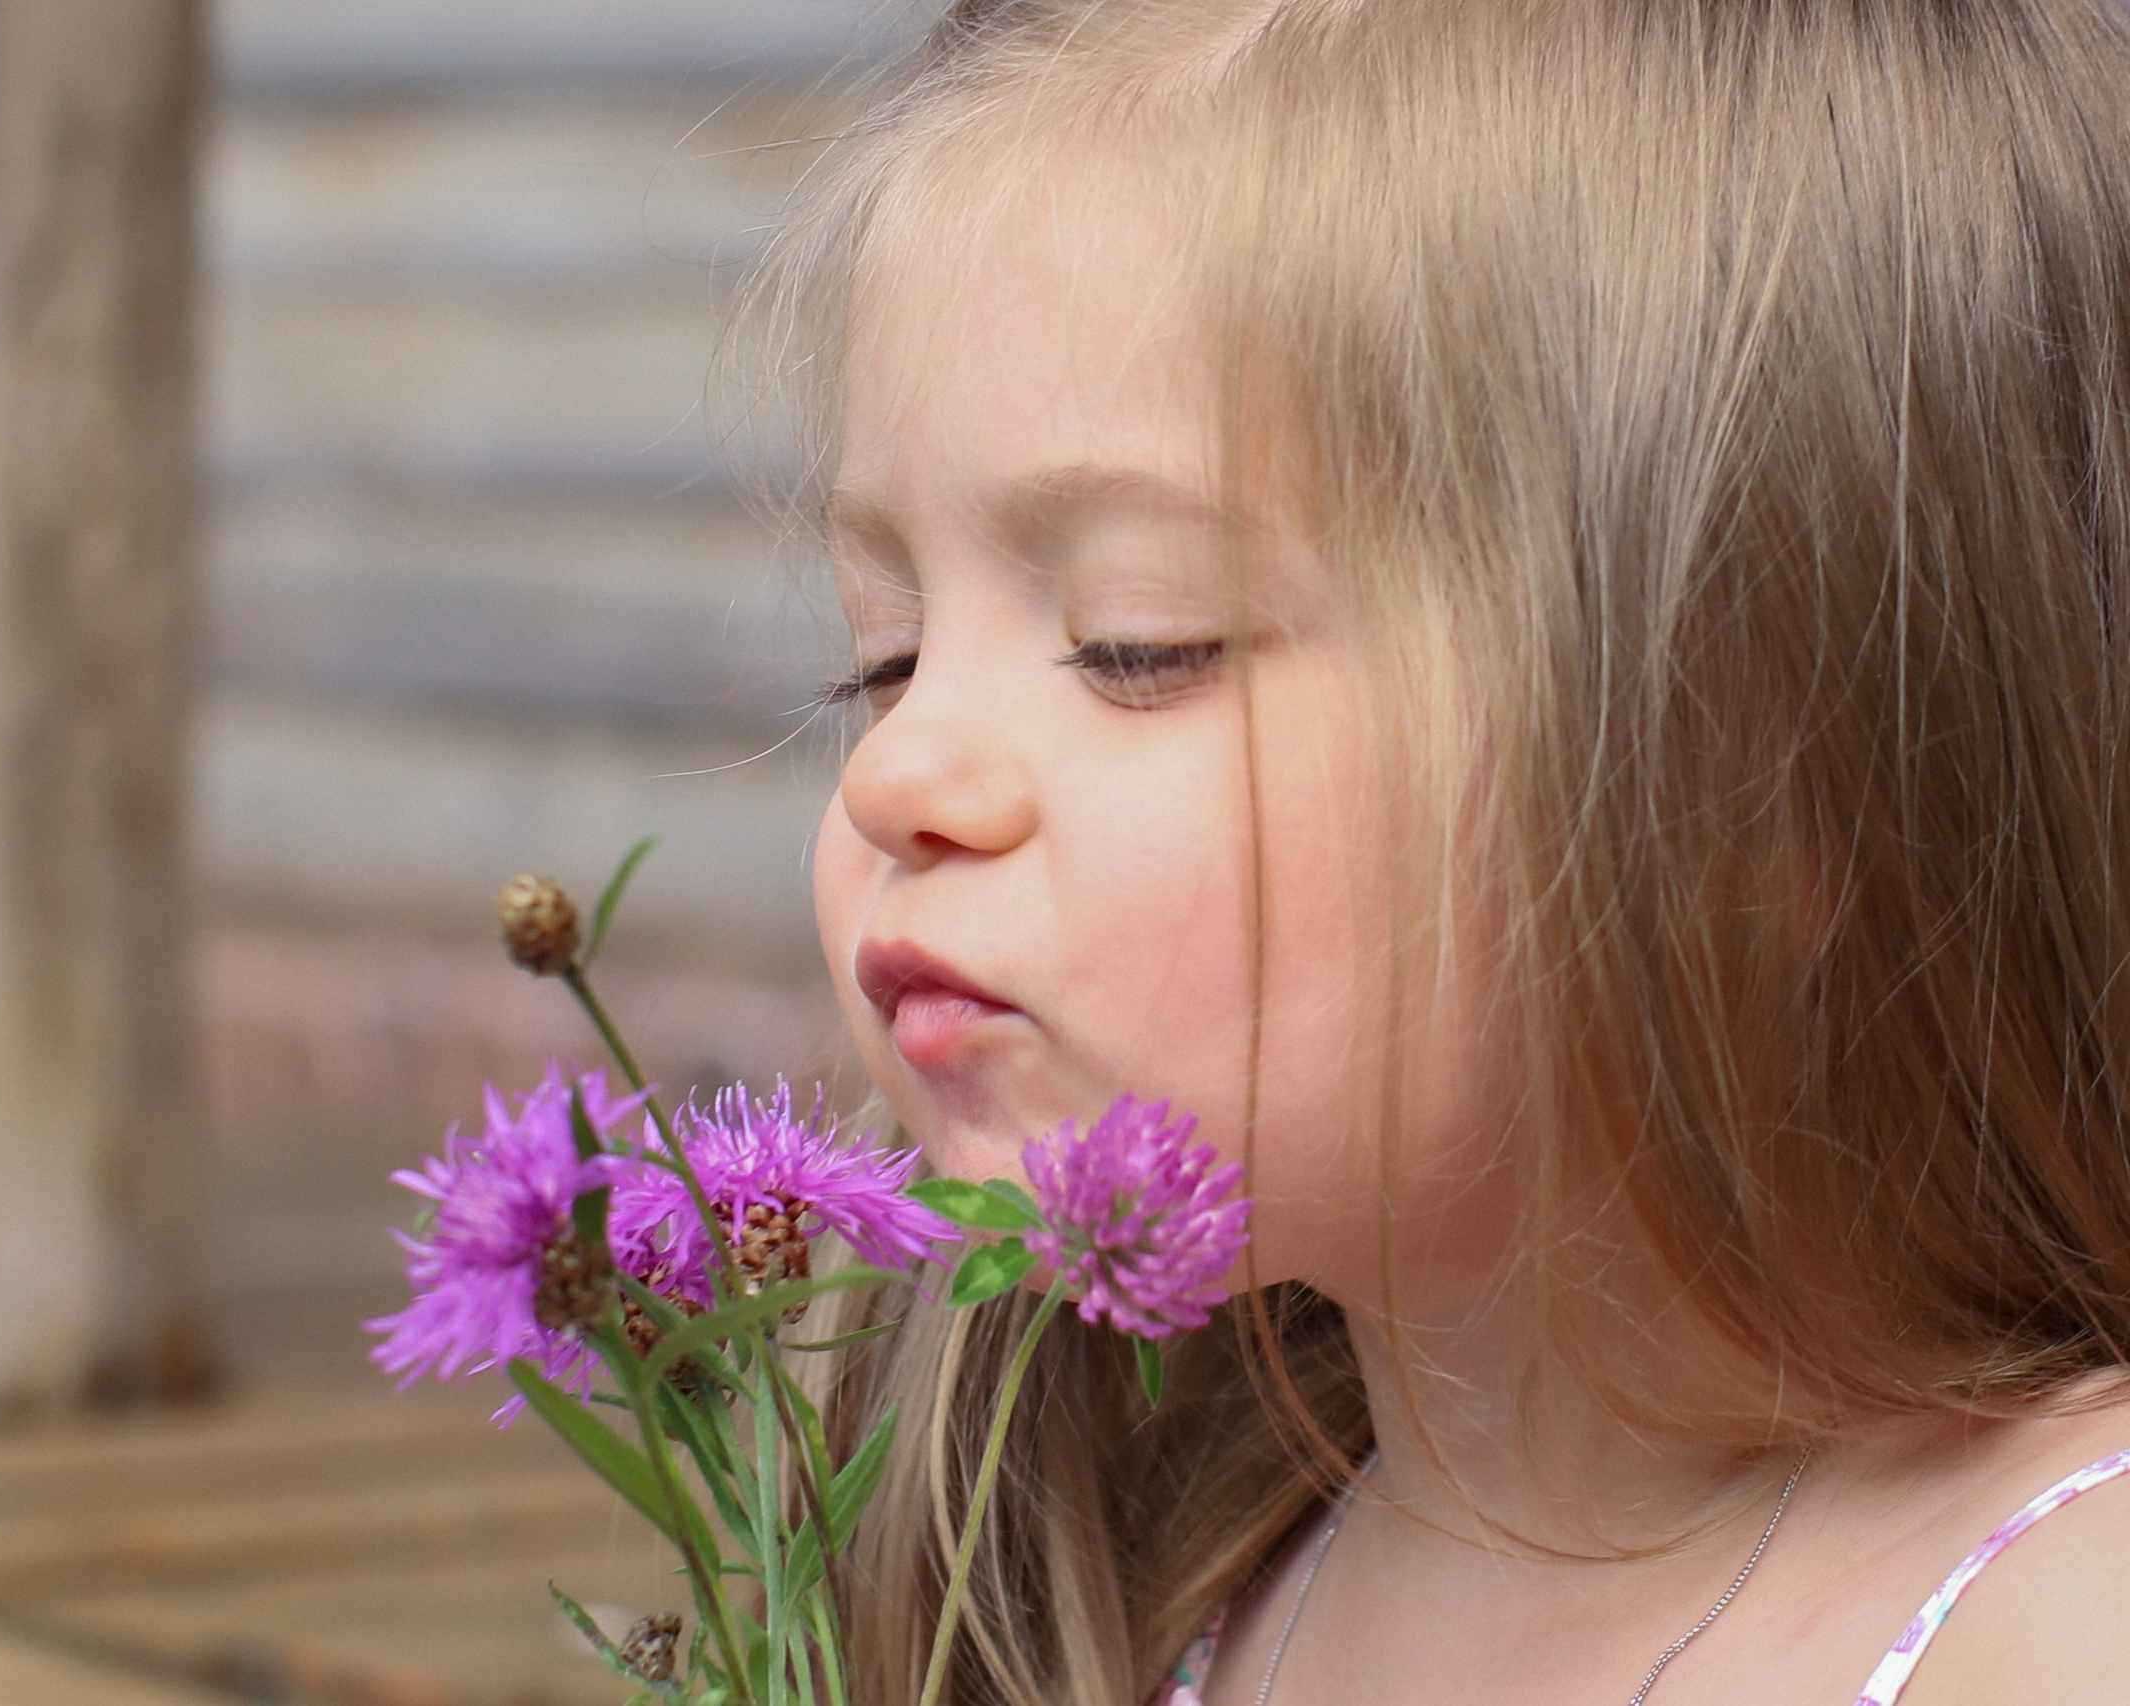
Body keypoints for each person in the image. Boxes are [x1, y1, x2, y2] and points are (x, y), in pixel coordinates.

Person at [727, 0, 2130, 1702]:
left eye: (1139, 641)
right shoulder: (1111, 1590)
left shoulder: (2065, 1627)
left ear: (1771, 790)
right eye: (881, 655)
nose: (897, 771)